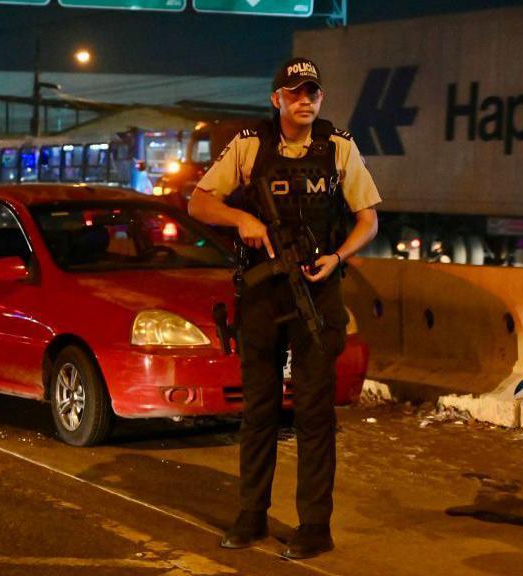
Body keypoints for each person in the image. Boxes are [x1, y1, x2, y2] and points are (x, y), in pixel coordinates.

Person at [187, 57, 380, 559]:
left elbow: (368, 220)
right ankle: (251, 516)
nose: (305, 99)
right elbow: (199, 202)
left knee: (315, 415)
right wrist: (241, 221)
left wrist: (338, 257)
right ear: (277, 98)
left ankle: (315, 526)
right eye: (295, 92)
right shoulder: (251, 143)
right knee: (259, 412)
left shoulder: (338, 147)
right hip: (261, 292)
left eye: (312, 91)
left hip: (317, 292)